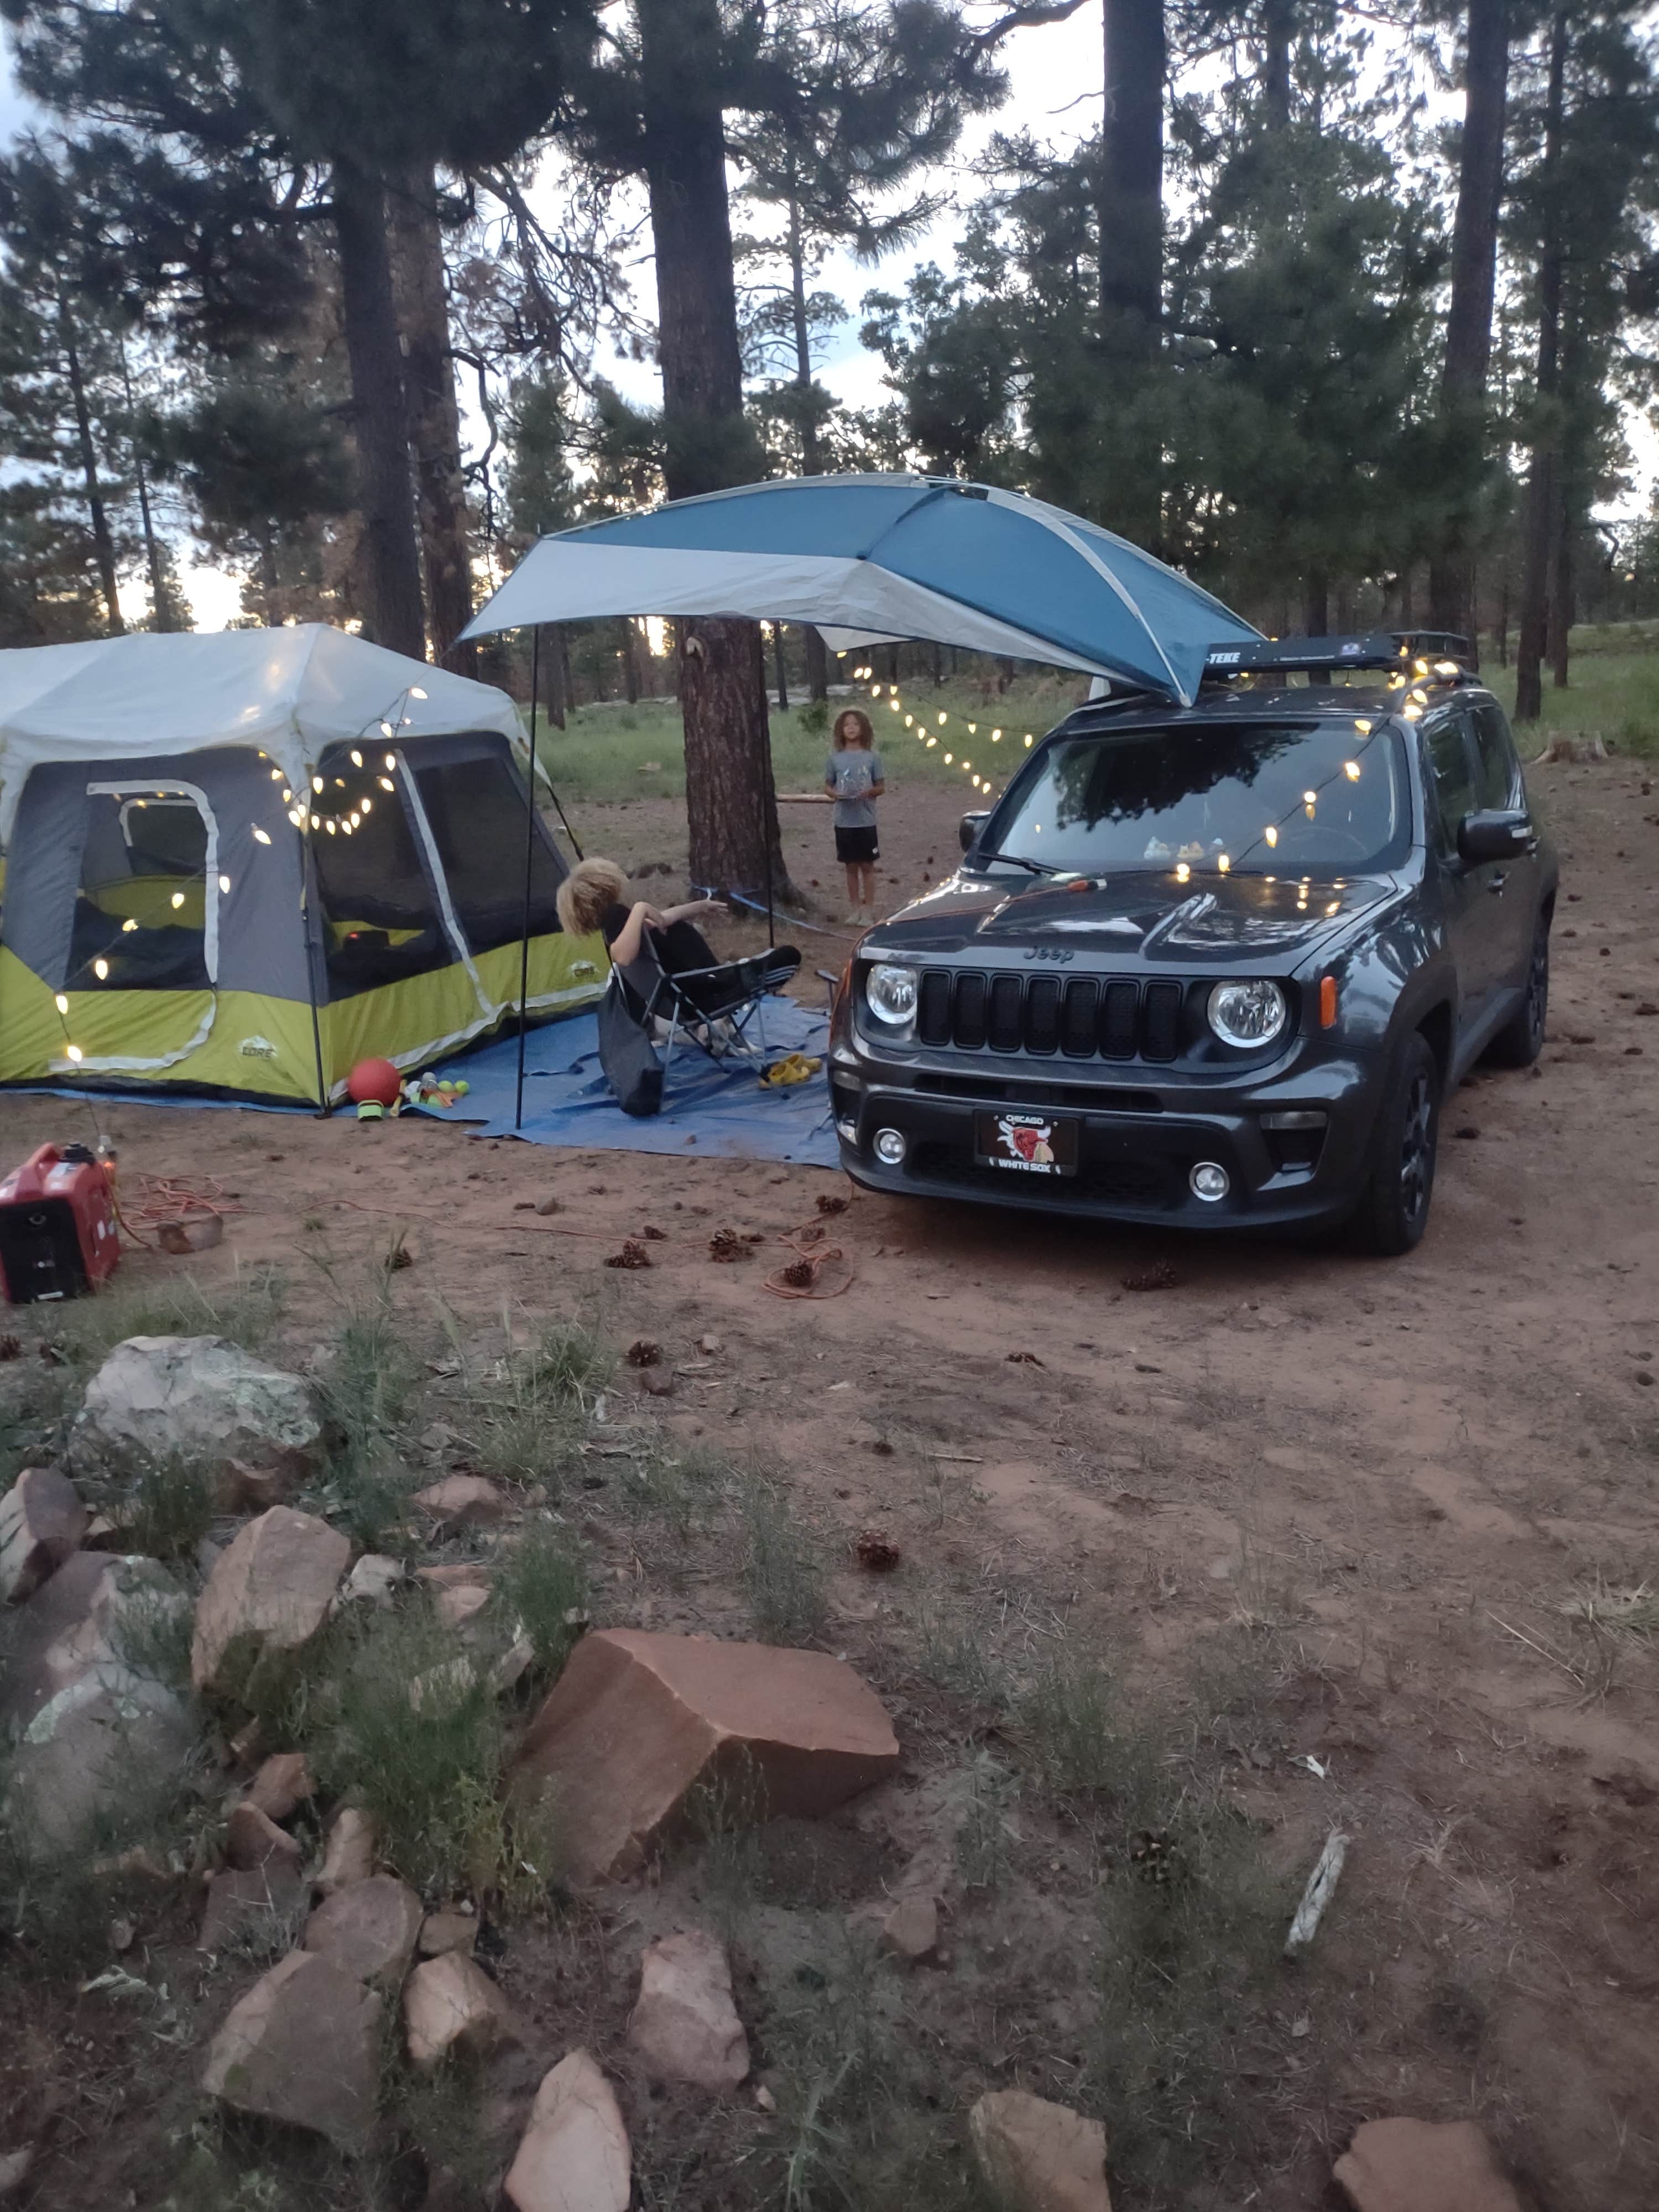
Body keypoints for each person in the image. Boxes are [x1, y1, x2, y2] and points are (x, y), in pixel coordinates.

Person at [556, 857, 797, 1019]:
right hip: (707, 995)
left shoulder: (621, 924)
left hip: (689, 996)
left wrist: (700, 906)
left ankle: (745, 973)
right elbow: (622, 956)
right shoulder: (620, 926)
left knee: (776, 958)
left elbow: (663, 919)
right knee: (788, 956)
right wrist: (640, 908)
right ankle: (748, 975)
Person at [823, 708, 885, 920]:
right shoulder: (834, 759)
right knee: (850, 867)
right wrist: (836, 794)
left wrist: (869, 792)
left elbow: (881, 787)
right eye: (847, 724)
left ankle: (868, 910)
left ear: (864, 729)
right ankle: (855, 909)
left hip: (866, 821)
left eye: (856, 724)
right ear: (840, 730)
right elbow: (827, 786)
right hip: (844, 822)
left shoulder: (872, 758)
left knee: (867, 865)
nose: (851, 728)